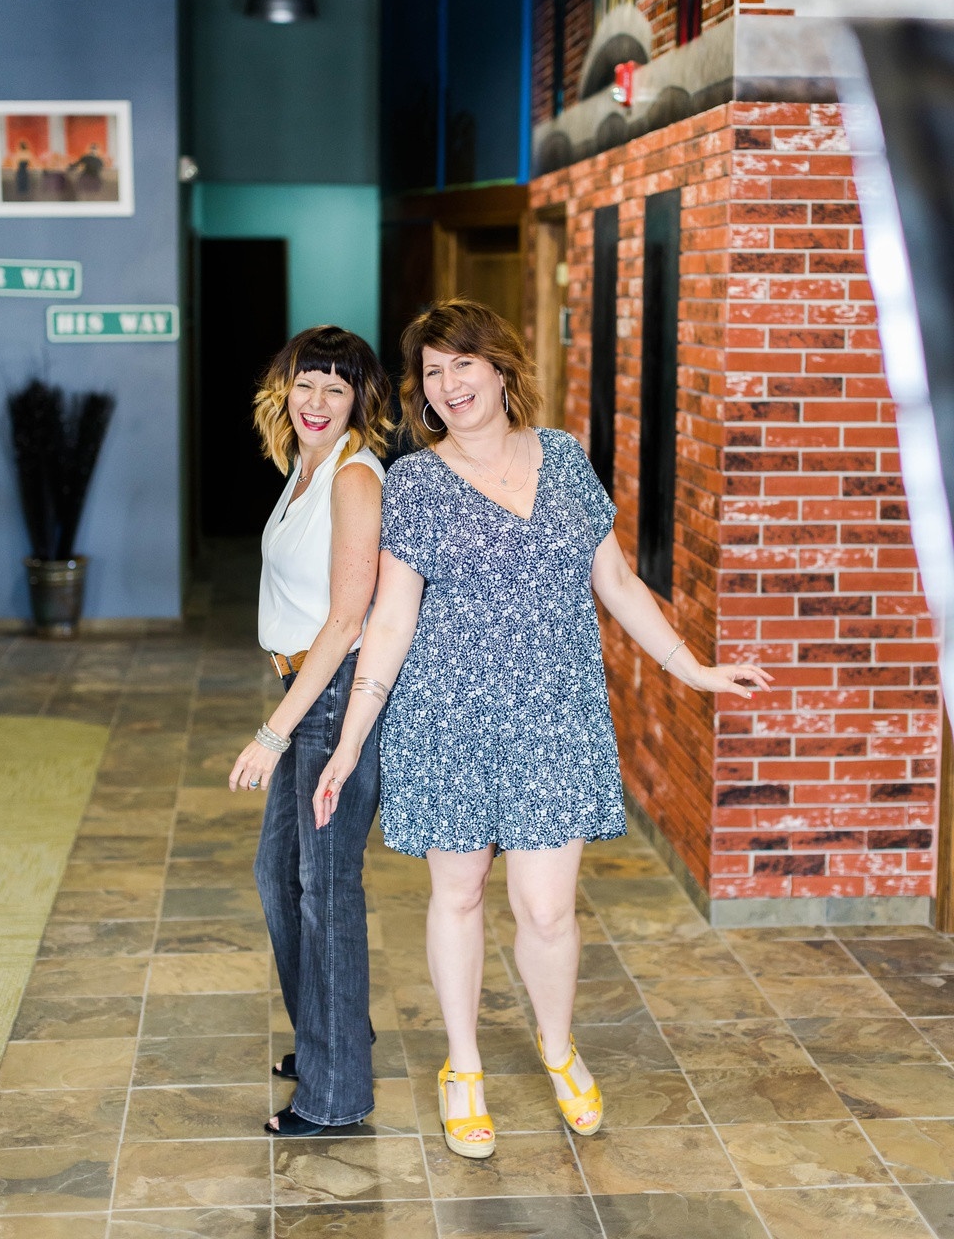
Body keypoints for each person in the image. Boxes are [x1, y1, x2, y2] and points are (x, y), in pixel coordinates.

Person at [312, 299, 774, 1158]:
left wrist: (695, 669)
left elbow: (619, 584)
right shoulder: (414, 483)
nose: (449, 385)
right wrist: (349, 741)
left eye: (463, 364)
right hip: (448, 718)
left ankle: (559, 1048)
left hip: (555, 716)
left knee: (549, 909)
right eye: (433, 373)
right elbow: (392, 622)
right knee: (459, 895)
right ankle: (463, 1067)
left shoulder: (563, 458)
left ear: (500, 369)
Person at [228, 325, 392, 1137]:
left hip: (331, 699)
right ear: (284, 388)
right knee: (278, 875)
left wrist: (271, 733)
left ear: (359, 399)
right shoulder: (304, 466)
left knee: (325, 887)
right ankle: (334, 1036)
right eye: (305, 383)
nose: (317, 401)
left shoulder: (354, 478)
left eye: (336, 386)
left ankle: (334, 1095)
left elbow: (346, 619)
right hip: (305, 691)